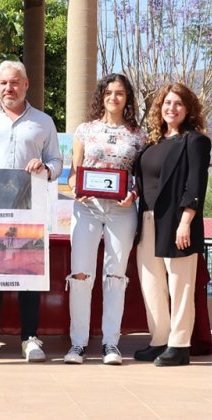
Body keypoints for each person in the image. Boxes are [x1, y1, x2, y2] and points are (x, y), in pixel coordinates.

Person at [0, 60, 63, 363]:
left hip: (27, 207)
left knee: (27, 272)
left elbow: (57, 163)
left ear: (26, 84)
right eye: (3, 83)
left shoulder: (44, 122)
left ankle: (29, 339)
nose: (9, 88)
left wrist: (45, 168)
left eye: (15, 82)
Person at [63, 73, 145, 366]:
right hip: (87, 207)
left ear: (127, 98)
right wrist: (76, 189)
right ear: (102, 96)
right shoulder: (84, 130)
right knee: (81, 274)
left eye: (120, 93)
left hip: (122, 210)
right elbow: (74, 172)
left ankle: (111, 342)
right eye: (109, 92)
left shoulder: (137, 135)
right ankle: (78, 344)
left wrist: (133, 194)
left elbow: (140, 177)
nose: (114, 97)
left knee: (115, 276)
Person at [133, 82, 210, 367]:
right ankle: (160, 340)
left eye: (178, 103)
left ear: (188, 108)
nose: (171, 108)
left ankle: (179, 345)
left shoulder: (196, 141)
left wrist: (185, 222)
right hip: (148, 219)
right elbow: (142, 181)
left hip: (178, 221)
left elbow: (195, 185)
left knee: (181, 284)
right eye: (167, 103)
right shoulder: (152, 143)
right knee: (151, 283)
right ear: (159, 107)